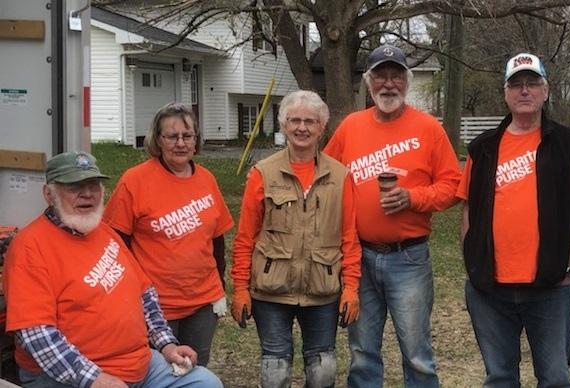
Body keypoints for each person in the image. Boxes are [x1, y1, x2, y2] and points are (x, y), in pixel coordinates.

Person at [3, 151, 223, 388]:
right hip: (69, 376)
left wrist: (167, 345)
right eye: (74, 186)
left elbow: (144, 295)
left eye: (93, 185)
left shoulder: (104, 231)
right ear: (49, 194)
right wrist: (94, 379)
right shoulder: (30, 248)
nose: (87, 194)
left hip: (139, 364)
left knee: (205, 383)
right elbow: (37, 337)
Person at [458, 52, 570, 387]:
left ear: (546, 91)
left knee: (554, 377)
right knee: (499, 377)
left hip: (551, 286)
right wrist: (472, 266)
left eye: (532, 83)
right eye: (516, 84)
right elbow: (467, 211)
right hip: (490, 289)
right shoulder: (483, 148)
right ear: (506, 93)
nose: (525, 91)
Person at [324, 44, 461, 388]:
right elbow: (325, 176)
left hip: (408, 258)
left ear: (407, 81)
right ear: (368, 83)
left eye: (396, 76)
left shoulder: (428, 128)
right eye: (380, 76)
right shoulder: (350, 127)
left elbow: (452, 187)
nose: (388, 84)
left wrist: (413, 198)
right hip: (359, 258)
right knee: (362, 351)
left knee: (417, 354)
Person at [230, 90, 361, 388]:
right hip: (271, 291)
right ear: (283, 125)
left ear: (321, 127)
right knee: (275, 367)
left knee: (323, 367)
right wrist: (240, 287)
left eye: (310, 121)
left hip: (322, 289)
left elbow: (349, 238)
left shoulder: (340, 176)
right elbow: (245, 237)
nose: (302, 128)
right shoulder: (263, 173)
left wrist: (351, 287)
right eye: (295, 120)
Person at [103, 102, 233, 367]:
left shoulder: (206, 178)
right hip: (156, 307)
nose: (181, 143)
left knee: (195, 371)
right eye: (172, 136)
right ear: (157, 140)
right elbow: (115, 245)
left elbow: (217, 240)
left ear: (196, 140)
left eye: (188, 136)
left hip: (202, 302)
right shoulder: (135, 180)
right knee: (161, 374)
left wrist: (218, 287)